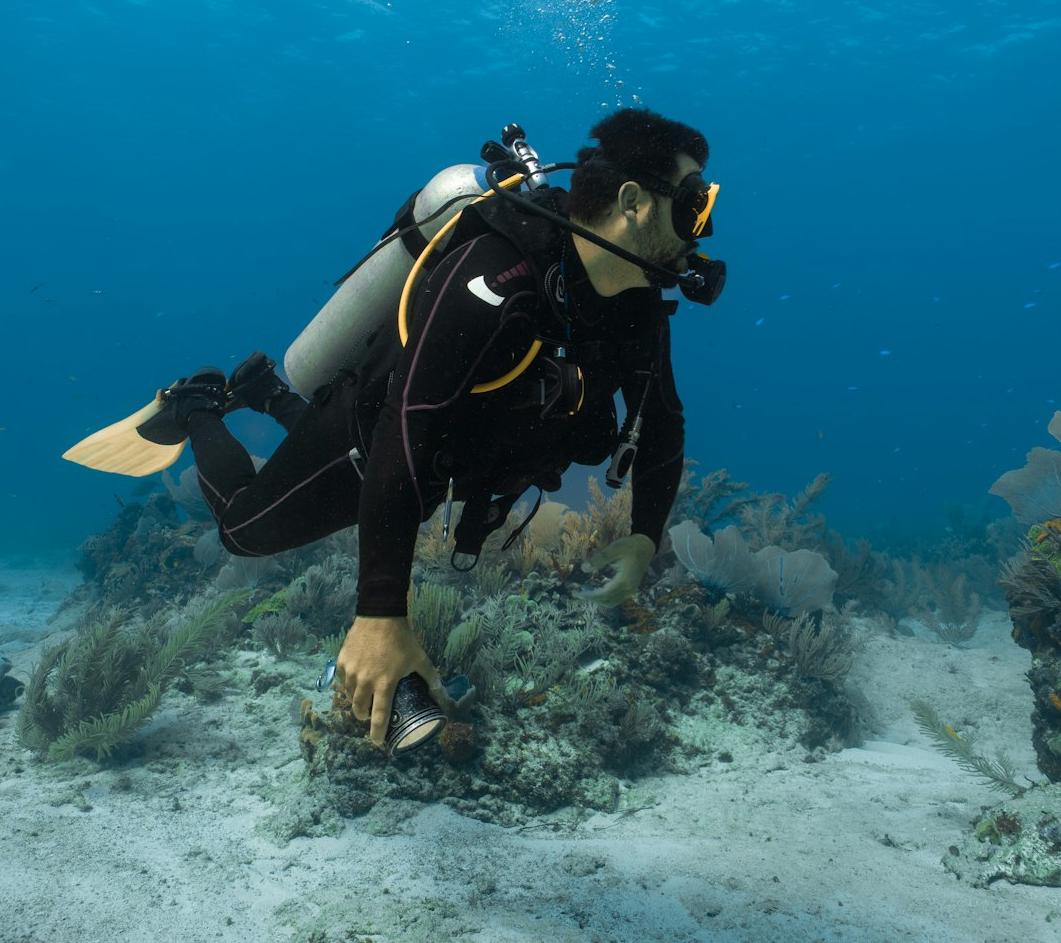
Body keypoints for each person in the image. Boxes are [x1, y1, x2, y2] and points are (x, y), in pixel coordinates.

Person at [65, 110, 722, 749]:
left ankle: (267, 391)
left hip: (439, 462)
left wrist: (642, 539)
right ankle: (200, 402)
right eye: (695, 202)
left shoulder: (638, 309)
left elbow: (663, 420)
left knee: (398, 486)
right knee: (243, 531)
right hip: (372, 435)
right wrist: (380, 614)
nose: (707, 226)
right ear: (633, 201)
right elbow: (406, 426)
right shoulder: (497, 276)